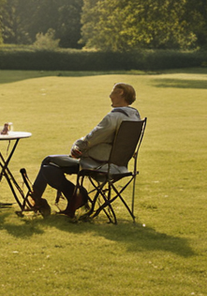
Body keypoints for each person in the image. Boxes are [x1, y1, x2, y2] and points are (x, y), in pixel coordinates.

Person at [23, 82, 140, 218]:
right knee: (49, 164)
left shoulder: (113, 117)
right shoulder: (134, 116)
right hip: (120, 166)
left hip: (98, 164)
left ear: (121, 93)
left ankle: (71, 196)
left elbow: (93, 138)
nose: (110, 96)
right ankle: (64, 197)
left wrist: (77, 147)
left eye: (113, 92)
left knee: (48, 162)